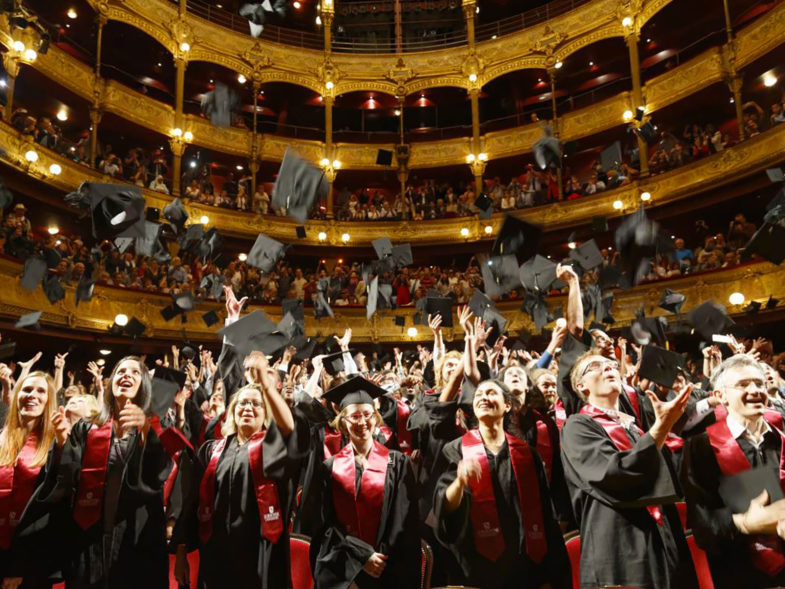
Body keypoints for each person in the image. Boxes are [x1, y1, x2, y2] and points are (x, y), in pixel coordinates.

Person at [560, 351, 698, 589]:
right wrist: (660, 428)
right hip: (618, 543)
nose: (608, 367)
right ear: (581, 386)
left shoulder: (634, 427)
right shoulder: (577, 426)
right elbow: (614, 474)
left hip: (659, 535)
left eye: (612, 364)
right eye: (595, 366)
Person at [173, 351, 308, 588]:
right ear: (232, 411)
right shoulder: (211, 450)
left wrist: (265, 385)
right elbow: (192, 501)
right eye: (242, 403)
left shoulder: (272, 448)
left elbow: (288, 428)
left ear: (266, 413)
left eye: (256, 404)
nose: (248, 407)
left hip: (261, 556)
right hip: (216, 555)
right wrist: (182, 551)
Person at [42, 356, 174, 589]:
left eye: (134, 372)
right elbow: (68, 481)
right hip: (89, 538)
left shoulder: (156, 425)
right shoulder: (88, 427)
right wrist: (63, 442)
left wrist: (147, 428)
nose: (126, 375)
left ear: (144, 384)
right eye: (121, 371)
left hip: (135, 539)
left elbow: (161, 473)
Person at [434, 379, 570, 589]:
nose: (483, 398)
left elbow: (545, 513)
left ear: (507, 405)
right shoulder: (455, 450)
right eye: (479, 395)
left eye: (491, 393)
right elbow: (445, 508)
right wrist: (460, 482)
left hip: (525, 565)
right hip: (477, 568)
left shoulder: (526, 454)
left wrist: (548, 572)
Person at [683, 354, 785, 588]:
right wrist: (744, 523)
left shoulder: (781, 439)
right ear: (720, 397)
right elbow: (702, 524)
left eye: (759, 383)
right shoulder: (702, 446)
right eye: (742, 384)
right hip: (738, 571)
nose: (755, 390)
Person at [309, 376, 420, 588]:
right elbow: (325, 524)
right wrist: (359, 558)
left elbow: (404, 521)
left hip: (388, 567)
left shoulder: (397, 463)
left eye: (368, 414)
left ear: (376, 417)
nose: (362, 422)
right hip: (344, 567)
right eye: (355, 416)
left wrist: (377, 559)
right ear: (343, 421)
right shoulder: (330, 468)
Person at [0, 372, 63, 588]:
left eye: (40, 391)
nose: (32, 395)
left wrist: (20, 565)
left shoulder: (55, 443)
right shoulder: (1, 437)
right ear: (17, 394)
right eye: (27, 389)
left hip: (30, 555)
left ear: (48, 401)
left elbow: (49, 513)